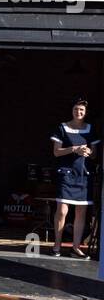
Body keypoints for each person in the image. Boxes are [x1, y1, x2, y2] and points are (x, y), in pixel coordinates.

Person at [50, 98, 98, 258]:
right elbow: (56, 152)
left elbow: (94, 154)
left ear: (85, 113)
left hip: (84, 175)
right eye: (76, 109)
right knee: (62, 210)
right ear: (72, 110)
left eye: (82, 110)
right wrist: (73, 149)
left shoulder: (90, 129)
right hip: (66, 174)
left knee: (81, 211)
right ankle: (57, 245)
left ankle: (76, 247)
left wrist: (88, 152)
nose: (79, 112)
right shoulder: (62, 127)